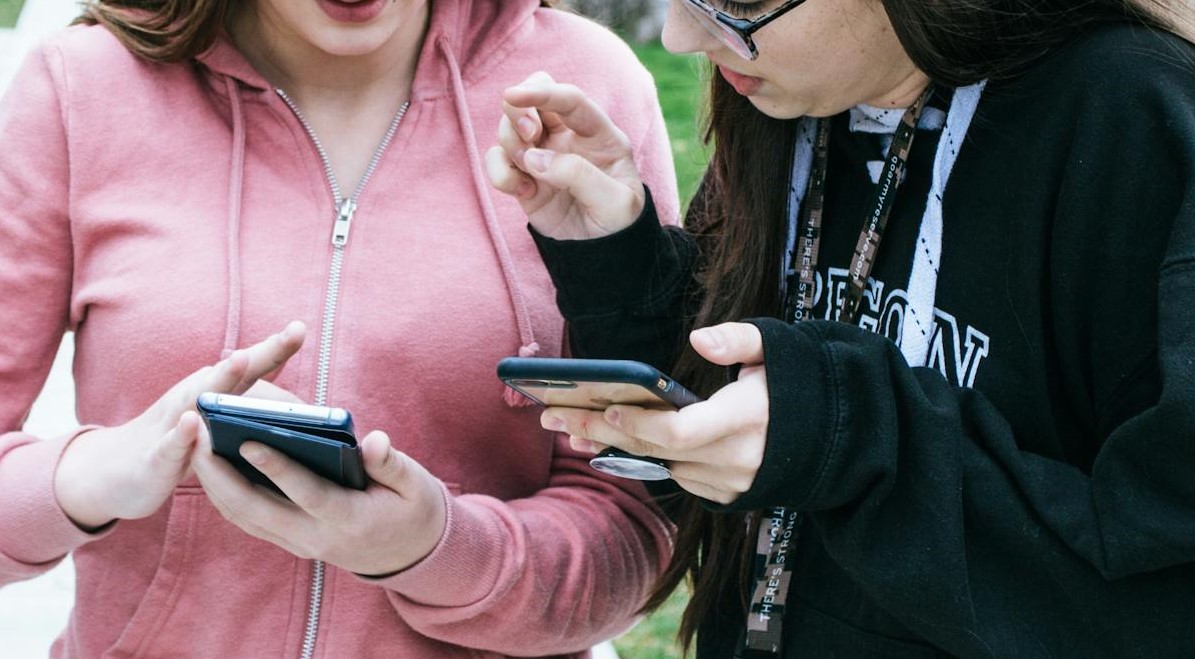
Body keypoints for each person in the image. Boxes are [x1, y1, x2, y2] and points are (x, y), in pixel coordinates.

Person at [488, 0, 1195, 657]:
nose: (681, 37)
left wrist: (845, 437)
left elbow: (1155, 590)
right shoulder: (792, 96)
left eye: (739, 0)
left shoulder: (1135, 116)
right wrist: (617, 259)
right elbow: (721, 486)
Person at [0, 0, 682, 657]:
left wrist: (434, 549)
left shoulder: (579, 87)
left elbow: (638, 516)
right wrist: (85, 477)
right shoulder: (79, 86)